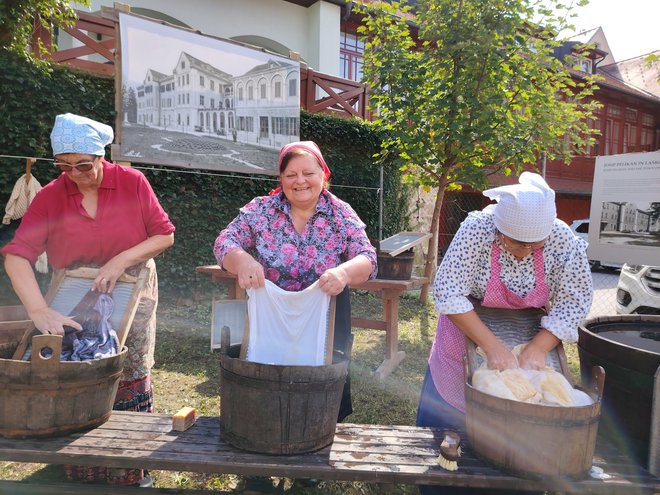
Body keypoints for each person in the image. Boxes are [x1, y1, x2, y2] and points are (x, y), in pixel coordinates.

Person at [1, 113, 175, 487]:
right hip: (73, 290)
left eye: (83, 165)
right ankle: (80, 469)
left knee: (127, 370)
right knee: (75, 369)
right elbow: (17, 254)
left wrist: (119, 260)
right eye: (64, 166)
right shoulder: (51, 195)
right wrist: (39, 309)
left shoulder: (132, 183)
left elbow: (163, 236)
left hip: (131, 287)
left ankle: (131, 467)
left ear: (102, 156)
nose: (74, 174)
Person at [416, 172, 593, 494]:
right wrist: (492, 347)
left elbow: (574, 300)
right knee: (449, 427)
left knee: (529, 417)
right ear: (499, 229)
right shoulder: (477, 230)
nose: (523, 252)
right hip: (467, 326)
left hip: (529, 330)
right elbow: (449, 290)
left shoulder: (564, 240)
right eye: (513, 242)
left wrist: (538, 348)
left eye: (533, 245)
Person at [214, 140, 377, 422]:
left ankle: (316, 443)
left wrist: (344, 273)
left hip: (325, 318)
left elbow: (368, 258)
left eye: (309, 173)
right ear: (281, 179)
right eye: (290, 175)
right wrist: (243, 260)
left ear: (324, 176)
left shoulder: (341, 213)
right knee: (265, 392)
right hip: (269, 316)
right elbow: (224, 241)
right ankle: (261, 448)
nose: (300, 181)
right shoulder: (261, 210)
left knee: (319, 400)